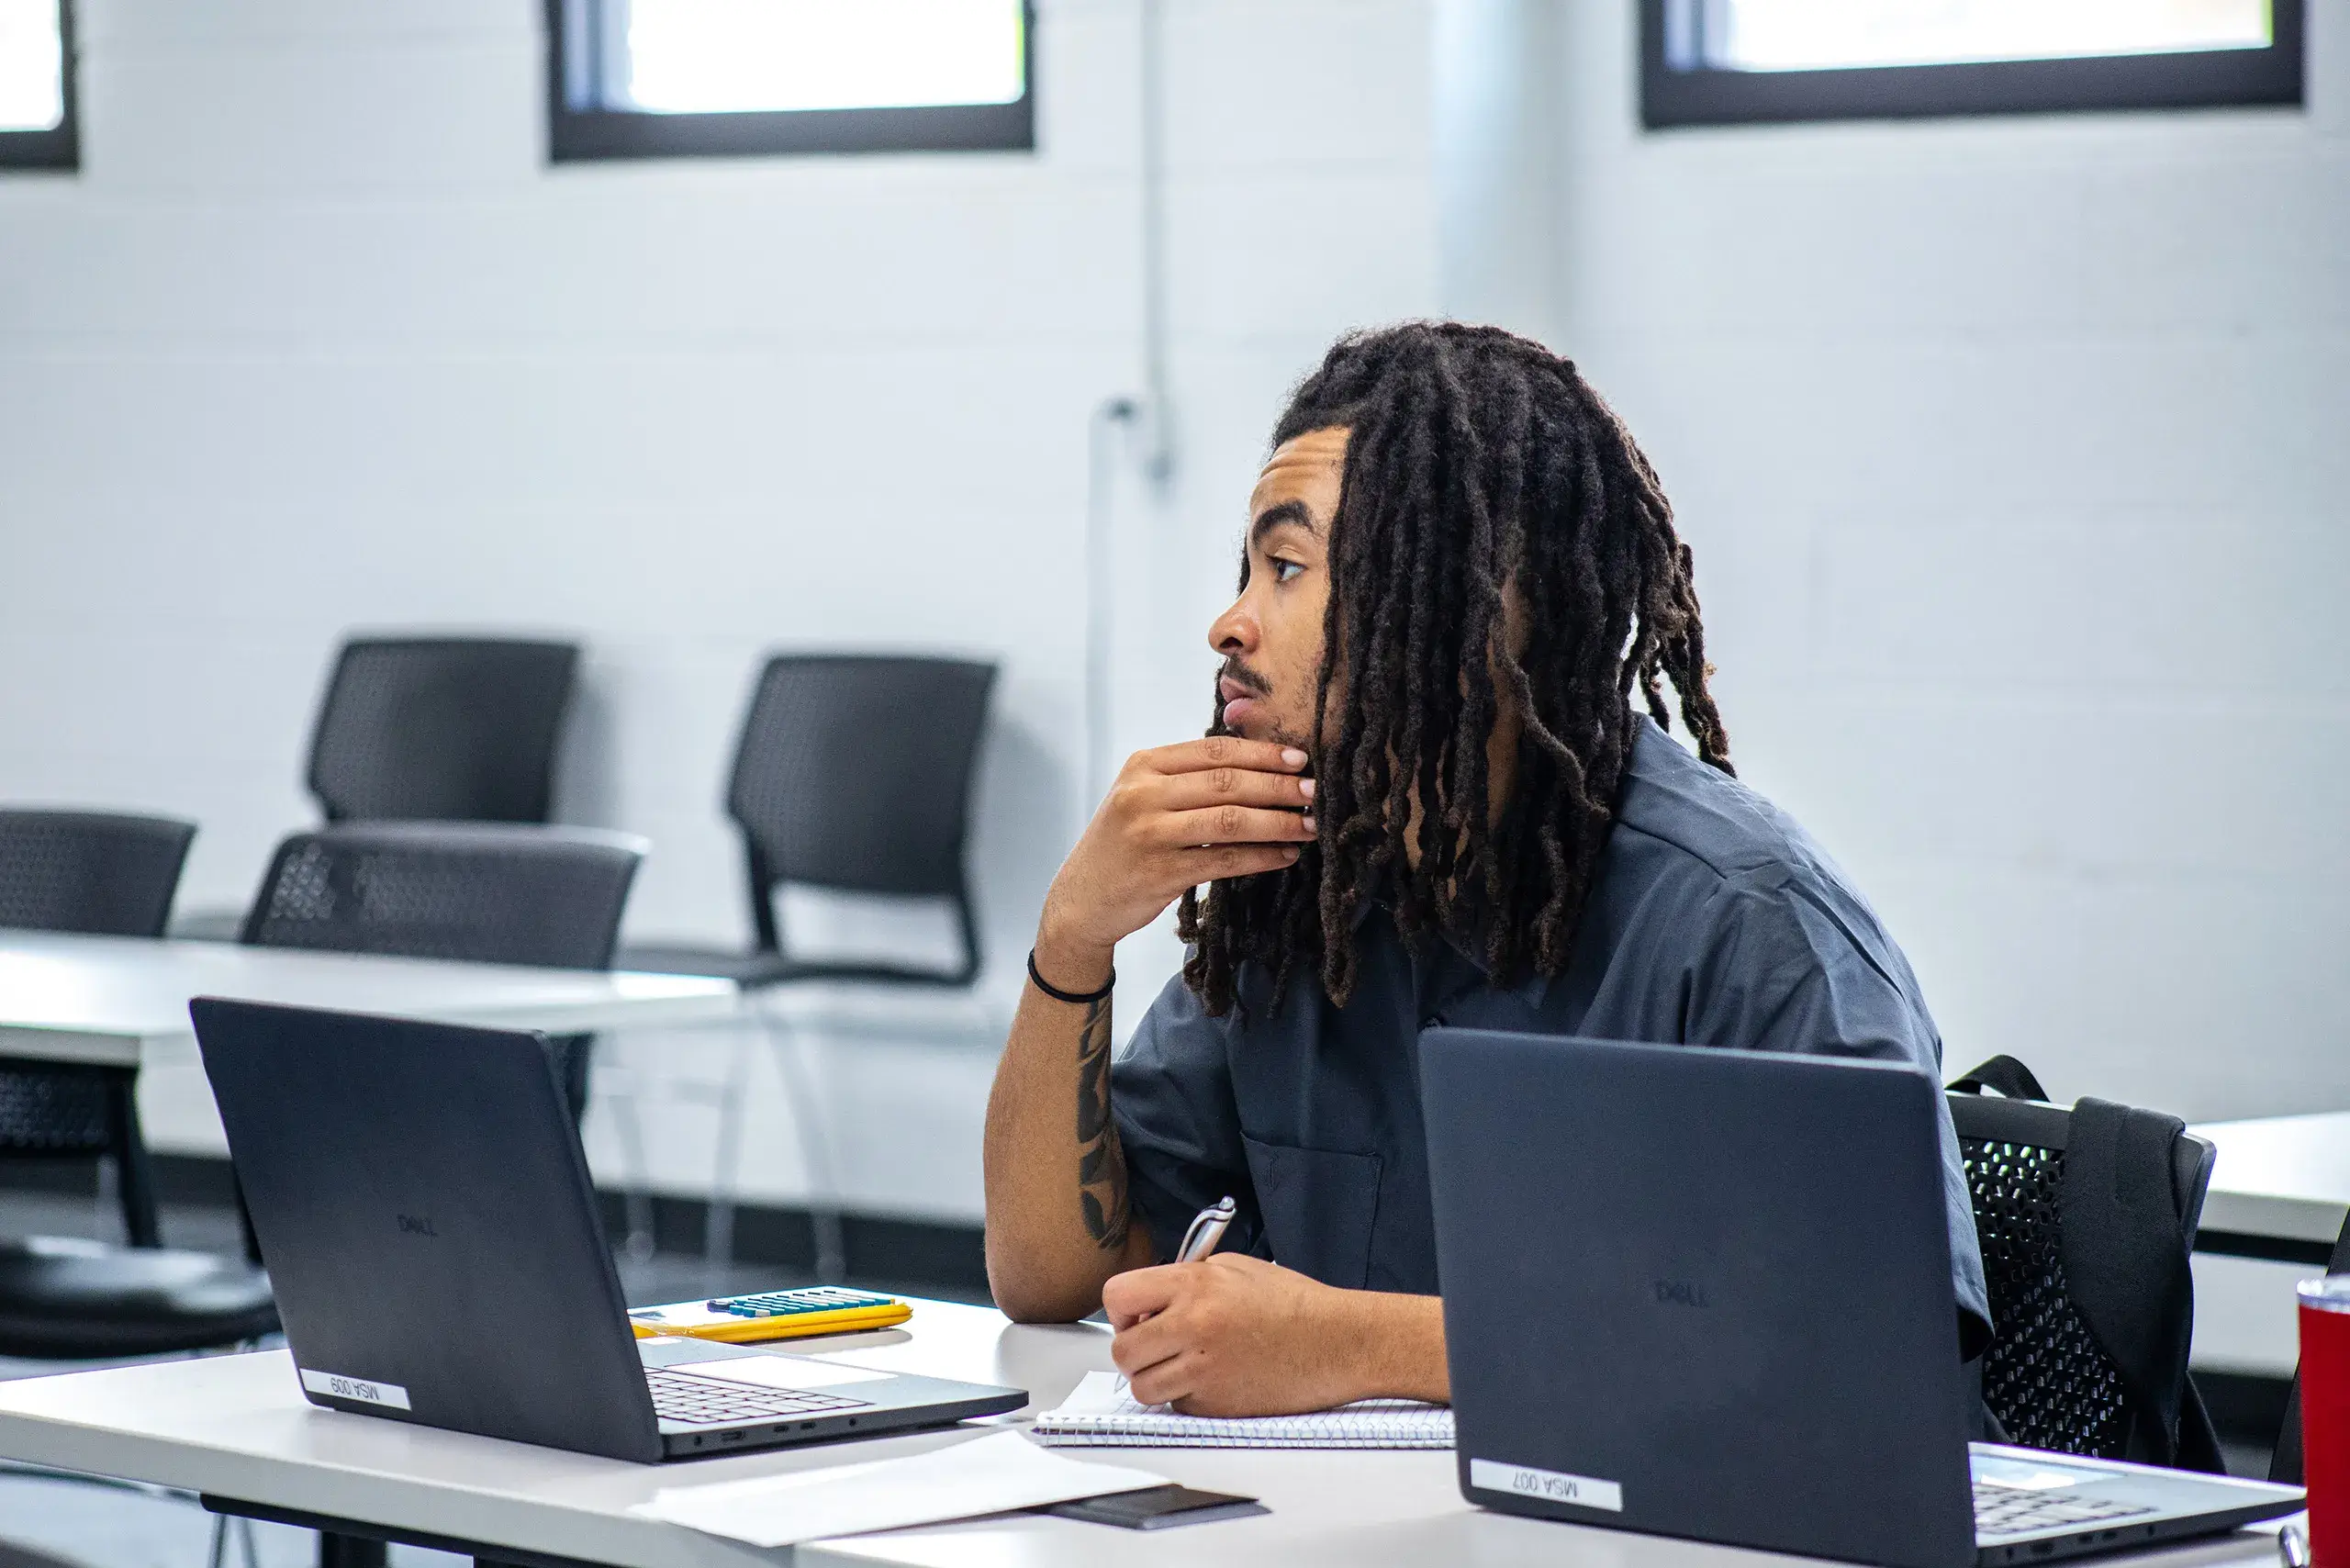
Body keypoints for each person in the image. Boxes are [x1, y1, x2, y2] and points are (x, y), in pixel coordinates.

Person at [982, 321, 1989, 1417]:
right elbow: (1049, 1277)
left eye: (1285, 569)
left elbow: (1873, 1346)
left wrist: (1354, 1345)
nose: (1229, 625)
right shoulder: (1305, 893)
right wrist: (1073, 938)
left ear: (1472, 605)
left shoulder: (1747, 925)